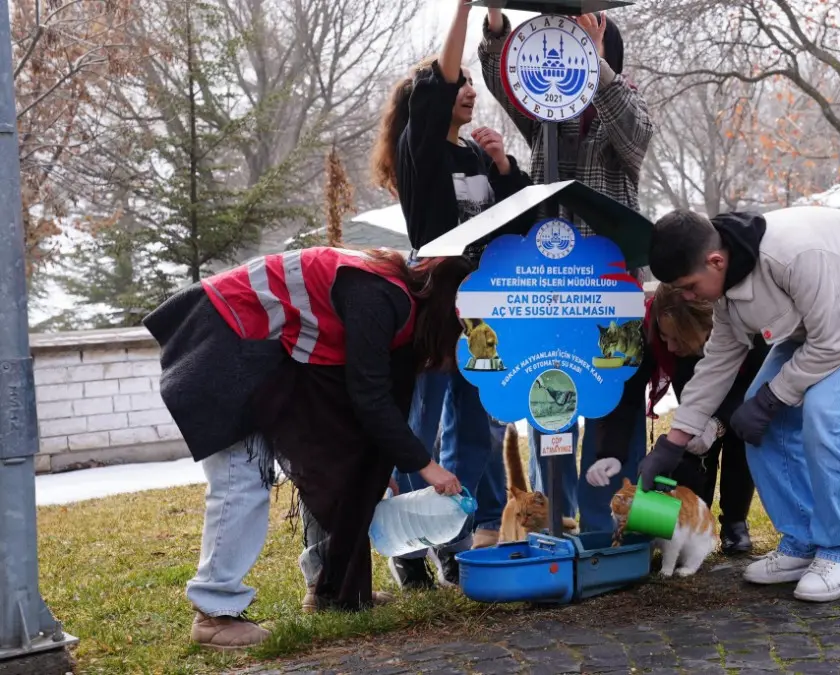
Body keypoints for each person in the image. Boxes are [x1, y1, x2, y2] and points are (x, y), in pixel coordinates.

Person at [144, 247, 471, 650]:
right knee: (242, 475)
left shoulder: (390, 291)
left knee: (331, 464)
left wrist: (372, 467)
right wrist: (426, 466)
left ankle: (327, 586)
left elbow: (359, 405)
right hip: (223, 341)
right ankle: (214, 612)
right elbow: (370, 397)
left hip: (254, 348)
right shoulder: (379, 295)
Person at [637, 206, 840, 602]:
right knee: (761, 423)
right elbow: (718, 362)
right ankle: (804, 539)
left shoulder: (796, 255)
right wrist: (673, 443)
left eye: (689, 286)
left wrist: (771, 398)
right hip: (819, 320)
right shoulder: (725, 288)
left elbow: (831, 344)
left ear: (715, 260)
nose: (689, 297)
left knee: (829, 415)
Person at [370, 0, 534, 586]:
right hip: (435, 303)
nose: (468, 89)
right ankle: (410, 546)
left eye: (472, 84)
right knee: (422, 422)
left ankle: (459, 535)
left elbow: (516, 228)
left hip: (485, 306)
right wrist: (465, 9)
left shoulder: (474, 156)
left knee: (480, 420)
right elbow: (437, 83)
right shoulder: (421, 148)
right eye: (459, 82)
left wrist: (505, 167)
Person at [479, 8, 655, 532]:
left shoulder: (627, 105)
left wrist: (596, 65)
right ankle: (558, 518)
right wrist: (494, 27)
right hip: (550, 284)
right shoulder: (544, 117)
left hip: (614, 286)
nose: (564, 59)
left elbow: (635, 135)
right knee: (550, 396)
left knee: (614, 404)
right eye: (559, 48)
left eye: (577, 48)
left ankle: (612, 522)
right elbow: (507, 75)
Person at [586, 284, 768, 553]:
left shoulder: (745, 326)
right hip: (692, 392)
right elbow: (629, 394)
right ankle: (688, 527)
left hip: (742, 392)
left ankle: (734, 523)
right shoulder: (647, 331)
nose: (669, 345)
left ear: (709, 329)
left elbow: (757, 385)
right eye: (664, 335)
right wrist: (610, 452)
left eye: (680, 340)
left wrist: (718, 423)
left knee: (739, 444)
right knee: (688, 456)